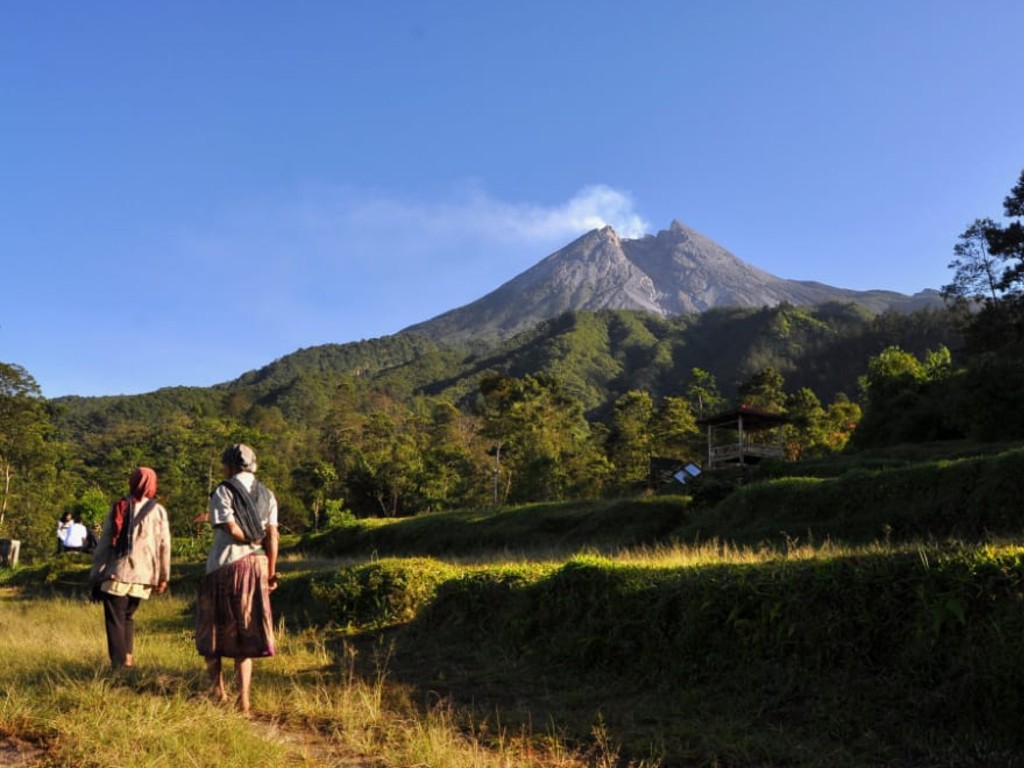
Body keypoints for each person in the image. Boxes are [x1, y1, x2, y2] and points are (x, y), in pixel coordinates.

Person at [195, 443, 279, 715]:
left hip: (225, 566)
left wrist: (249, 537)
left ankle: (217, 690)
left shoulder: (223, 490)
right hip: (257, 566)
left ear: (230, 465)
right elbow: (273, 535)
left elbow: (231, 529)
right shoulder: (267, 494)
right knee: (246, 630)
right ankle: (244, 699)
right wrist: (271, 569)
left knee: (213, 628)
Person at [89, 467, 171, 669]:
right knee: (128, 617)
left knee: (115, 621)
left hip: (118, 574)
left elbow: (104, 545)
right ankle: (128, 659)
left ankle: (119, 667)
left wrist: (95, 575)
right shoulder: (159, 511)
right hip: (144, 577)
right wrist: (163, 577)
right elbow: (164, 546)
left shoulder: (120, 507)